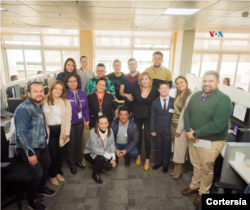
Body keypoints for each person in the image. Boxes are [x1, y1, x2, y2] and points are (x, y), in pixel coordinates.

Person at [182, 70, 233, 206]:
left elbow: (218, 125)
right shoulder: (196, 96)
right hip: (194, 138)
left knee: (206, 168)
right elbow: (187, 113)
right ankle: (194, 186)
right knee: (196, 165)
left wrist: (195, 133)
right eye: (204, 81)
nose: (207, 83)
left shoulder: (224, 100)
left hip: (211, 141)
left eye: (210, 81)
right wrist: (189, 132)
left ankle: (203, 193)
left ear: (218, 82)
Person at [15, 82, 55, 210]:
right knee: (37, 174)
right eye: (35, 91)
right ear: (28, 93)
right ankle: (32, 201)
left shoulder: (38, 105)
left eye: (41, 91)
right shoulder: (24, 109)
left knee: (47, 164)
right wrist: (30, 152)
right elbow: (21, 134)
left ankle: (41, 189)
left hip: (41, 143)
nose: (39, 94)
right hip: (29, 147)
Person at [127, 72, 159, 170]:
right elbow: (131, 101)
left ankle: (147, 159)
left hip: (149, 116)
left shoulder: (155, 90)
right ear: (140, 81)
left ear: (150, 80)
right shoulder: (136, 89)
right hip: (137, 115)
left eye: (146, 79)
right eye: (142, 79)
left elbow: (158, 102)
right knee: (138, 136)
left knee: (147, 138)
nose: (144, 81)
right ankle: (139, 155)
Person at [42, 80, 72, 186]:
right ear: (52, 89)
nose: (58, 91)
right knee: (52, 155)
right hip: (49, 131)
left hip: (61, 131)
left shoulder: (65, 102)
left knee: (59, 154)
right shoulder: (44, 100)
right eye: (56, 88)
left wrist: (66, 133)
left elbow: (68, 119)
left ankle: (58, 172)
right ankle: (52, 175)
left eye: (60, 89)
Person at [64, 73, 90, 175]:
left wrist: (86, 119)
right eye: (70, 81)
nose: (73, 83)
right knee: (71, 144)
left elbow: (86, 107)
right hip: (69, 123)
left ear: (78, 82)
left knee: (78, 142)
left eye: (74, 81)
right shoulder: (64, 93)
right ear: (67, 83)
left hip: (79, 123)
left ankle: (78, 161)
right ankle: (72, 164)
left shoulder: (82, 93)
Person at [170, 76, 192, 179]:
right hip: (174, 124)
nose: (180, 85)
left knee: (180, 150)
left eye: (182, 82)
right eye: (177, 83)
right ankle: (175, 169)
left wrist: (179, 130)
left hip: (181, 127)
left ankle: (180, 170)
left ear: (187, 82)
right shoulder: (179, 94)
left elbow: (184, 115)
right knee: (176, 149)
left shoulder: (189, 96)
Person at [84, 115, 116, 184]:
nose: (103, 125)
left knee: (109, 167)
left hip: (103, 153)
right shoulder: (93, 132)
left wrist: (113, 159)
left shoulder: (111, 131)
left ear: (108, 123)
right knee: (100, 158)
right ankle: (95, 174)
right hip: (90, 153)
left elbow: (112, 144)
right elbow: (95, 149)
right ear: (97, 124)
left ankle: (97, 165)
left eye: (105, 123)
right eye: (101, 123)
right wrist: (110, 157)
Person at [150, 81, 174, 174]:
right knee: (158, 147)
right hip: (157, 129)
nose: (164, 90)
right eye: (162, 88)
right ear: (159, 90)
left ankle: (165, 165)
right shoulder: (155, 102)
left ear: (169, 89)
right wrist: (152, 129)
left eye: (166, 88)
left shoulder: (174, 101)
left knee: (167, 148)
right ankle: (159, 162)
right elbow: (152, 116)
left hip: (168, 130)